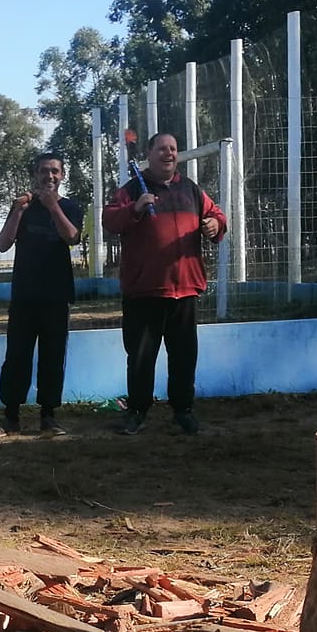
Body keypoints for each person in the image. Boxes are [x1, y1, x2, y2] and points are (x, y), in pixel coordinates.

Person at [102, 130, 227, 435]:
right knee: (141, 358)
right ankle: (137, 411)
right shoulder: (132, 190)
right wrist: (136, 208)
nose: (169, 153)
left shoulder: (191, 191)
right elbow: (109, 220)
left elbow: (217, 216)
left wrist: (215, 224)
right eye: (162, 149)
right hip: (143, 291)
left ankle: (183, 410)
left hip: (184, 289)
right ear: (149, 153)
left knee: (184, 357)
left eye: (173, 149)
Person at [0, 151, 81, 437]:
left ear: (62, 175)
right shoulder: (22, 206)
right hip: (24, 295)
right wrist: (17, 210)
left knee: (53, 357)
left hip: (56, 296)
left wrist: (54, 208)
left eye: (55, 171)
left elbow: (71, 237)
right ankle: (11, 416)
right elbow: (3, 244)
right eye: (44, 171)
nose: (49, 176)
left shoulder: (70, 206)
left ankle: (48, 416)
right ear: (36, 174)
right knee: (17, 356)